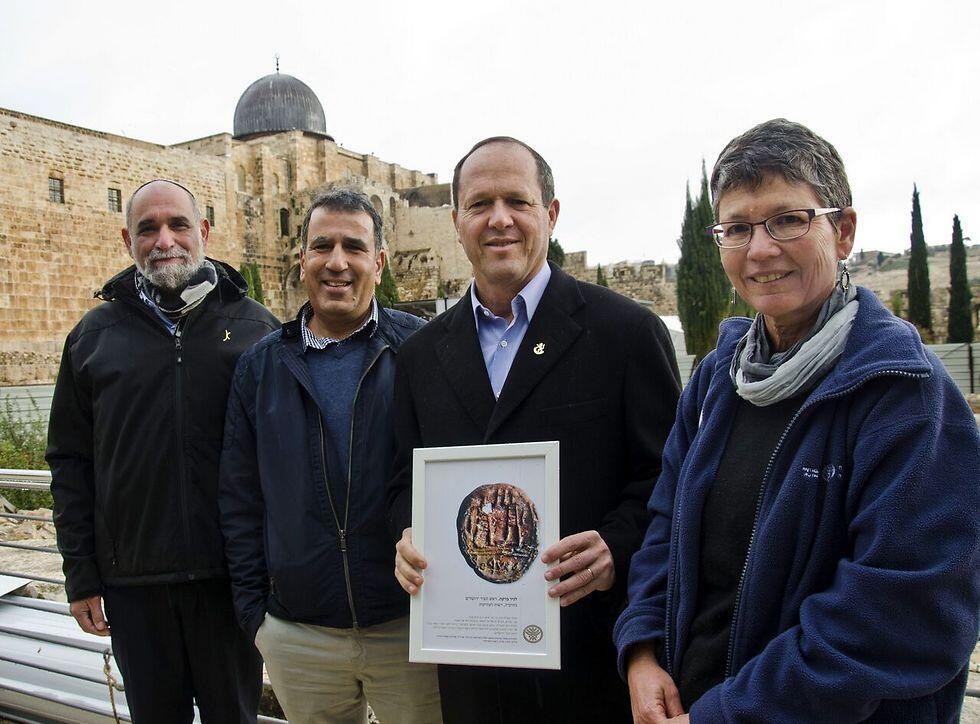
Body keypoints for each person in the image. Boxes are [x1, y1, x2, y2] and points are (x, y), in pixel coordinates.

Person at [615, 118, 980, 723]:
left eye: (788, 219)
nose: (760, 249)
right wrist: (644, 649)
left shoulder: (904, 395)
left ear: (844, 232)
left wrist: (729, 714)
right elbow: (664, 530)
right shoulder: (715, 382)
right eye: (737, 228)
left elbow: (902, 617)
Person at [387, 136, 682, 723]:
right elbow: (401, 480)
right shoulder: (420, 355)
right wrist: (407, 539)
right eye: (480, 204)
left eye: (517, 201)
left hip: (591, 662)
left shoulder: (625, 334)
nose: (499, 219)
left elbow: (669, 481)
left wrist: (615, 547)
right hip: (473, 670)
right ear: (456, 221)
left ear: (550, 213)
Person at [46, 179, 278, 723]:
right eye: (147, 229)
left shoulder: (255, 329)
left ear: (203, 232)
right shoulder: (92, 338)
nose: (164, 240)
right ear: (128, 241)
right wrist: (80, 574)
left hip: (230, 586)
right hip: (135, 589)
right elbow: (71, 463)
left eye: (178, 224)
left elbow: (285, 459)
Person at [218, 189, 440, 723]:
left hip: (408, 625)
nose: (337, 262)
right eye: (322, 246)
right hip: (300, 635)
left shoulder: (423, 350)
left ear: (379, 263)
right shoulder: (260, 367)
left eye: (353, 247)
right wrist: (257, 617)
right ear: (302, 261)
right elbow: (239, 496)